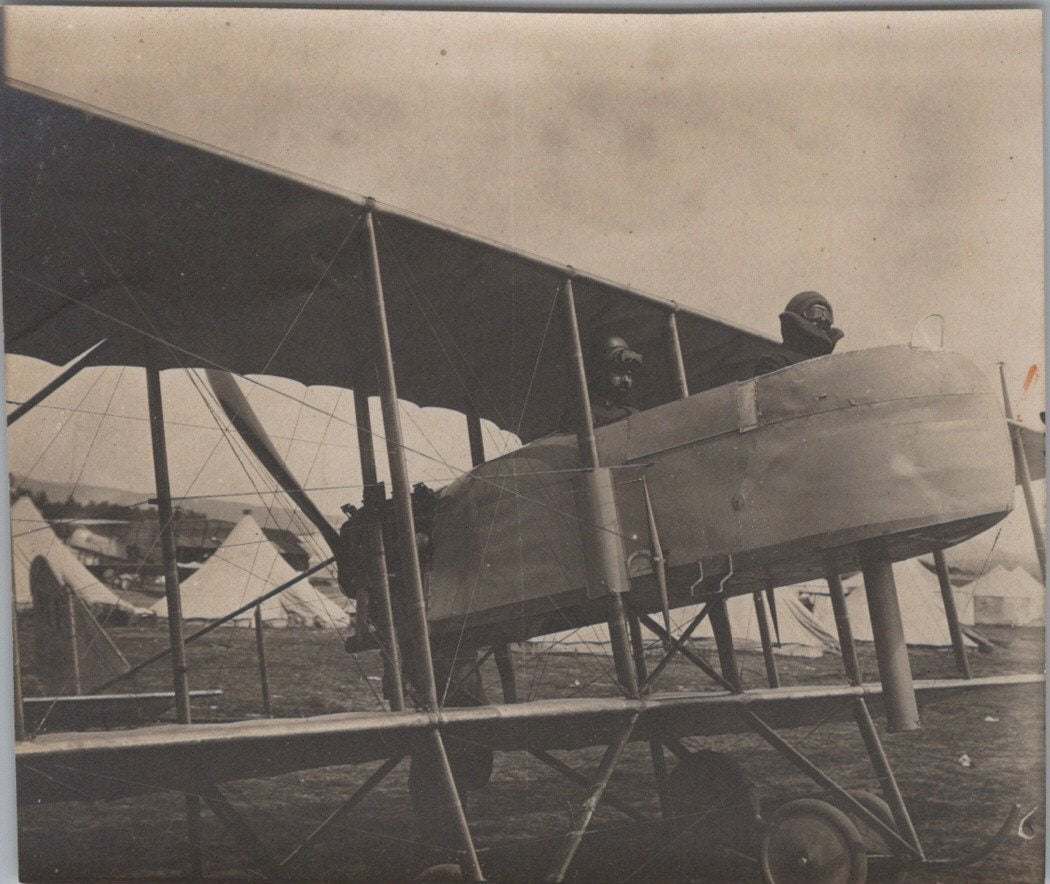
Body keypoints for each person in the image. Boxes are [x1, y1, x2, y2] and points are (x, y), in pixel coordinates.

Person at [750, 291, 844, 377]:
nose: (823, 319)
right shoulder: (773, 363)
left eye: (827, 315)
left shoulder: (830, 367)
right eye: (814, 312)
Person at [560, 334, 643, 431]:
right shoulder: (582, 415)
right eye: (618, 372)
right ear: (599, 372)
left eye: (629, 373)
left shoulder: (631, 411)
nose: (626, 379)